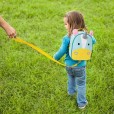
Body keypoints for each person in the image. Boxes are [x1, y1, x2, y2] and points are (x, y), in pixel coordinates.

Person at [53, 11, 96, 109]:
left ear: (72, 24)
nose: (65, 26)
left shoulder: (67, 38)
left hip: (69, 66)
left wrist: (55, 57)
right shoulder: (85, 36)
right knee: (81, 84)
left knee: (71, 78)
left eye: (66, 24)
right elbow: (93, 41)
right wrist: (90, 36)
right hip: (80, 66)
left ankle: (71, 92)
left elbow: (61, 51)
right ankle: (81, 104)